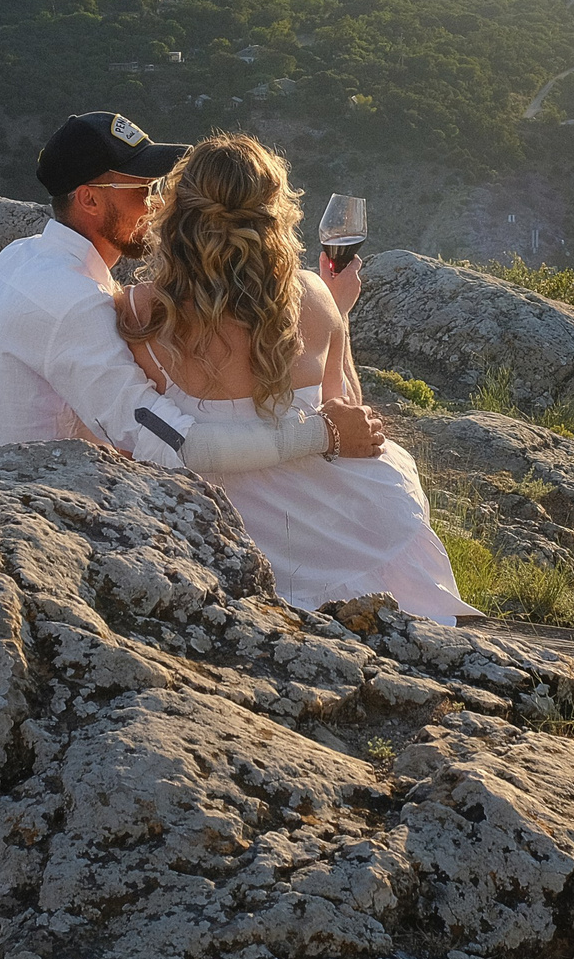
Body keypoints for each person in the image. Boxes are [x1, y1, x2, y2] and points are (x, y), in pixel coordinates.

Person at [116, 132, 466, 621]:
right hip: (341, 534)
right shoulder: (312, 294)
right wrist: (339, 312)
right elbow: (347, 414)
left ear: (176, 213)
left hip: (226, 540)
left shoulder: (139, 311)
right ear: (275, 215)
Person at [0, 111, 385, 471]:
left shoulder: (20, 256)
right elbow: (174, 444)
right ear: (89, 199)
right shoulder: (78, 305)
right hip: (24, 498)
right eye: (142, 187)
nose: (156, 203)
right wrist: (322, 432)